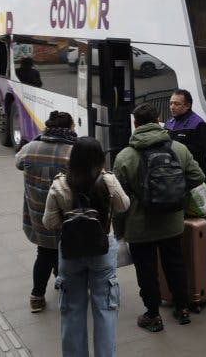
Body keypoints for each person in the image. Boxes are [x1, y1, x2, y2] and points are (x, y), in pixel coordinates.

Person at [112, 103, 205, 332]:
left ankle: (153, 315)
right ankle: (182, 309)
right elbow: (198, 176)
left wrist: (119, 231)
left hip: (139, 227)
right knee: (175, 264)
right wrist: (176, 192)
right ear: (159, 119)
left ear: (135, 124)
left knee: (147, 270)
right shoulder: (179, 149)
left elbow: (118, 202)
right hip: (172, 223)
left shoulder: (124, 156)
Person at [42, 137, 130, 357]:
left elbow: (49, 222)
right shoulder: (107, 180)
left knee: (72, 311)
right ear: (99, 158)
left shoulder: (60, 184)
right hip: (102, 250)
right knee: (105, 310)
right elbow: (124, 205)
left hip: (71, 252)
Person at [15, 111, 76, 313]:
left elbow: (18, 162)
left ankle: (37, 297)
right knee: (62, 250)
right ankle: (58, 285)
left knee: (44, 252)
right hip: (64, 213)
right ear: (68, 128)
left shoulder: (31, 148)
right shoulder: (71, 151)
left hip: (37, 212)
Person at [165, 89, 206, 179]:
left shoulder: (198, 124)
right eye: (171, 103)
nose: (172, 107)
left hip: (192, 177)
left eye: (176, 104)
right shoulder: (169, 122)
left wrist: (173, 147)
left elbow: (200, 152)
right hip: (174, 175)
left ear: (187, 106)